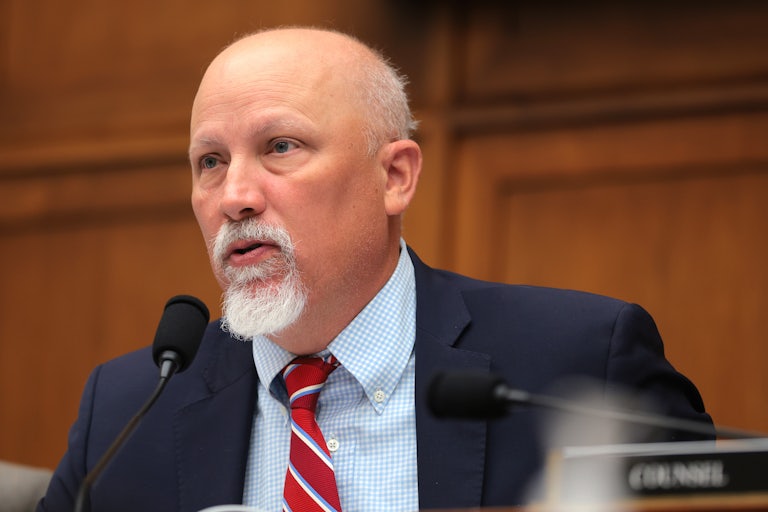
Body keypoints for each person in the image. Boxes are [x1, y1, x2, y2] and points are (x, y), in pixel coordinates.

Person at [37, 27, 713, 512]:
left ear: (394, 176)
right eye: (210, 162)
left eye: (280, 146)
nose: (235, 196)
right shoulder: (128, 412)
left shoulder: (576, 362)